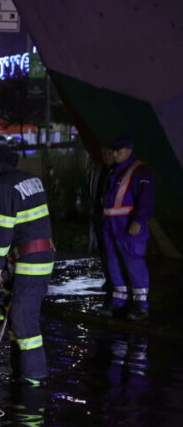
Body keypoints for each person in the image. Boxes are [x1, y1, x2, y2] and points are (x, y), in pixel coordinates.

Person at [0, 141, 55, 386]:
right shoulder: (28, 178)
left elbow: (3, 229)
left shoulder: (4, 186)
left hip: (29, 259)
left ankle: (33, 380)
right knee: (18, 315)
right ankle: (21, 372)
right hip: (39, 255)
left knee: (24, 319)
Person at [99, 136, 154, 321]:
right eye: (113, 151)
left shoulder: (139, 170)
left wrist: (138, 220)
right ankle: (118, 300)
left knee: (134, 263)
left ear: (129, 151)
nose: (114, 154)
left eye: (119, 151)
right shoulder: (116, 170)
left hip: (128, 224)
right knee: (113, 262)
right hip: (112, 224)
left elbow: (146, 198)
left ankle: (141, 304)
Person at [89, 146, 115, 296]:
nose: (106, 157)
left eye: (109, 153)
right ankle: (109, 279)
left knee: (112, 249)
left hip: (111, 217)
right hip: (99, 215)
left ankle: (115, 281)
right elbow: (93, 190)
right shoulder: (98, 169)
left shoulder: (118, 172)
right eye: (104, 154)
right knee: (103, 249)